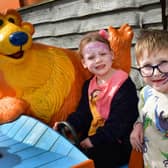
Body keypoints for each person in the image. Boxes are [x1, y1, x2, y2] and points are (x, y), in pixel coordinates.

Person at [53, 31, 139, 168]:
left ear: (112, 55)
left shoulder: (123, 84)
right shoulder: (89, 85)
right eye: (91, 57)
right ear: (84, 63)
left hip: (119, 141)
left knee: (87, 160)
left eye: (103, 54)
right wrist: (68, 124)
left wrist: (93, 140)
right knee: (66, 153)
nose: (98, 60)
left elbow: (120, 122)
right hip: (96, 138)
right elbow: (83, 113)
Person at [130, 29, 168, 168]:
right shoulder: (146, 92)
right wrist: (138, 125)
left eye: (163, 62)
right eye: (147, 66)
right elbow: (142, 115)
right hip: (151, 162)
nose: (156, 73)